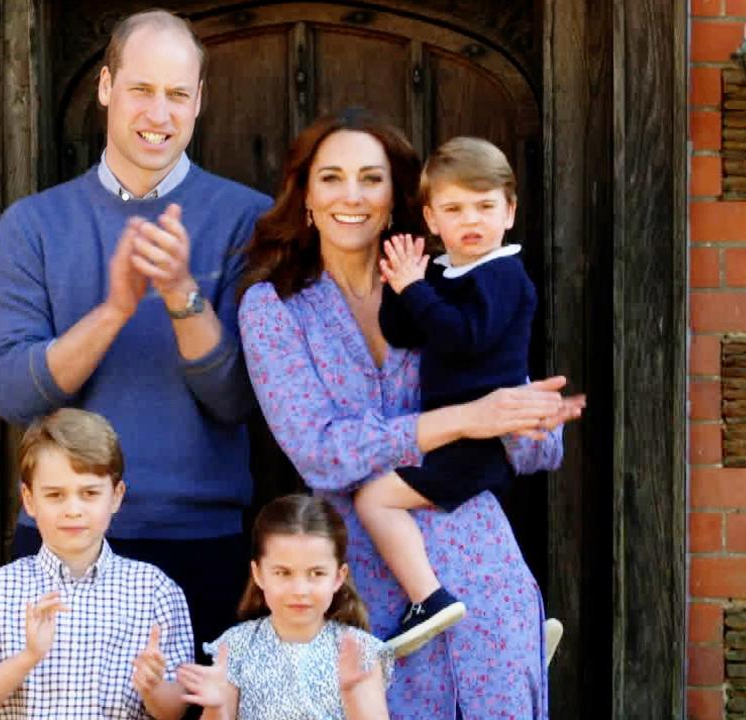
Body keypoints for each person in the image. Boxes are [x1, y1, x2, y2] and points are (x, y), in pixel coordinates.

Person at [236, 109, 584, 719]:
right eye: (331, 178)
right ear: (306, 197)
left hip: (481, 569)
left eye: (370, 179)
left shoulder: (447, 283)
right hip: (361, 585)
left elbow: (532, 447)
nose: (352, 196)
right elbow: (320, 449)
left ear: (396, 197)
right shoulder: (274, 308)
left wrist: (532, 418)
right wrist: (465, 420)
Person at [0, 8, 271, 656]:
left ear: (199, 100)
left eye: (176, 95)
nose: (158, 114)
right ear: (106, 86)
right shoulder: (32, 225)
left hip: (201, 544)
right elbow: (13, 396)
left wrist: (179, 294)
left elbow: (236, 401)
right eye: (141, 89)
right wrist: (113, 309)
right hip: (62, 542)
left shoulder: (248, 221)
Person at [353, 137, 537, 657]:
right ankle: (513, 628)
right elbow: (404, 331)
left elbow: (462, 337)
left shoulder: (503, 275)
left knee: (374, 498)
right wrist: (401, 282)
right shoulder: (446, 273)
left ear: (510, 211)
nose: (471, 220)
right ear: (432, 219)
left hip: (477, 443)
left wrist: (417, 288)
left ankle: (428, 599)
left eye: (484, 206)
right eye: (454, 209)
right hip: (453, 435)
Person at [0, 408, 192, 720]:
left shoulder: (154, 590)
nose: (73, 509)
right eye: (55, 495)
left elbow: (174, 711)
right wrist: (28, 657)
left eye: (89, 493)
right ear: (29, 499)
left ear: (116, 496)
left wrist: (153, 687)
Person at [177, 494, 391, 720]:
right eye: (283, 573)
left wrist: (352, 695)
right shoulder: (235, 646)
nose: (300, 589)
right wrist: (216, 707)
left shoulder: (360, 651)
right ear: (258, 573)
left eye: (316, 573)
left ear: (339, 577)